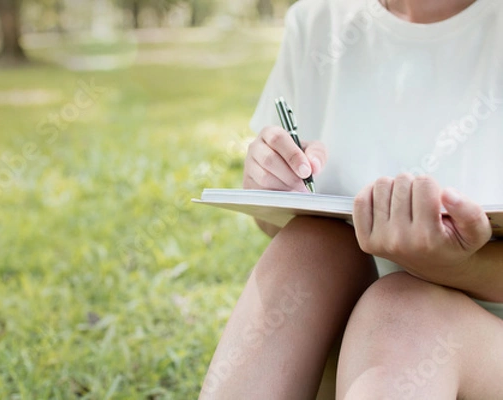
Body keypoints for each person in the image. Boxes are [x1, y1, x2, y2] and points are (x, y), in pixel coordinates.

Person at [199, 0, 503, 398]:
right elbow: (275, 225)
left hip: (477, 351)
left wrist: (459, 267)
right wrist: (270, 185)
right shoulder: (318, 21)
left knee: (404, 313)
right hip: (361, 363)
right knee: (310, 244)